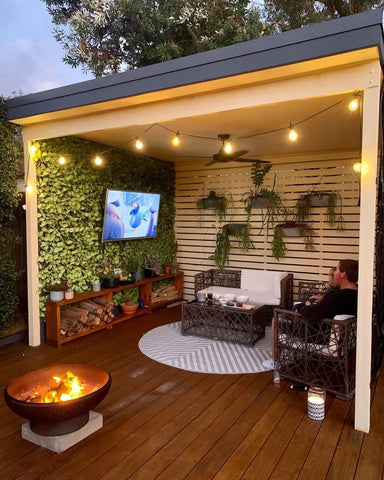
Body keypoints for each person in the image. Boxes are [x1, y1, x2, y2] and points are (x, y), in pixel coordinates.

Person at [262, 259, 358, 370]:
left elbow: (312, 314)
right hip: (337, 336)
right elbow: (323, 310)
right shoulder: (355, 295)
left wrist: (302, 307)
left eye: (336, 270)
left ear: (343, 274)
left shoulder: (339, 296)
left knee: (277, 318)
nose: (334, 273)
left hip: (318, 334)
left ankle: (274, 361)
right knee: (293, 314)